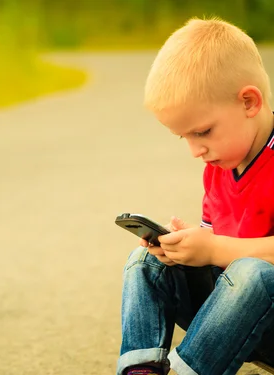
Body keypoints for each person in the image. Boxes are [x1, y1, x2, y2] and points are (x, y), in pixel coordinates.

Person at [118, 17, 274, 374]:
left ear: (249, 101)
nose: (195, 151)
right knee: (147, 263)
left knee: (253, 272)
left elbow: (238, 259)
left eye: (202, 131)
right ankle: (140, 369)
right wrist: (190, 248)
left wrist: (214, 248)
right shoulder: (218, 169)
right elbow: (218, 248)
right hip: (235, 318)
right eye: (184, 137)